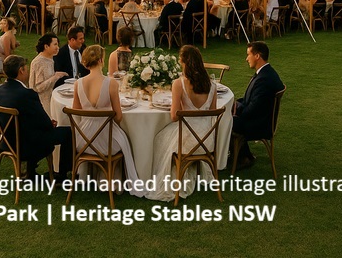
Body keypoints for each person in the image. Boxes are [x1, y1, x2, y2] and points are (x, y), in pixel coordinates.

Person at [145, 45, 218, 201]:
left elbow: (174, 116)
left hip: (187, 141)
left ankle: (163, 177)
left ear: (184, 62)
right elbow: (213, 111)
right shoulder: (212, 85)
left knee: (159, 138)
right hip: (207, 141)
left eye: (180, 59)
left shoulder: (180, 83)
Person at [72, 45, 143, 196]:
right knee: (126, 139)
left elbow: (76, 113)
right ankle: (115, 180)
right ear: (100, 60)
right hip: (106, 143)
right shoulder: (111, 83)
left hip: (82, 141)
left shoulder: (78, 83)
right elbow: (118, 116)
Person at [0, 55, 73, 180]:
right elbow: (44, 123)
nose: (27, 71)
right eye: (26, 68)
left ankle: (31, 173)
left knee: (31, 128)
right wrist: (50, 123)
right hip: (26, 146)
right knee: (68, 133)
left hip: (6, 142)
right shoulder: (27, 94)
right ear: (21, 70)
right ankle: (61, 175)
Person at [232, 41, 285, 169]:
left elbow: (252, 110)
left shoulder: (264, 79)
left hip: (260, 124)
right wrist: (236, 104)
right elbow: (250, 100)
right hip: (260, 118)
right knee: (227, 116)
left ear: (257, 56)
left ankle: (241, 157)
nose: (246, 59)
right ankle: (244, 155)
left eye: (248, 54)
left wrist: (235, 111)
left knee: (223, 121)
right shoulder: (265, 73)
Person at [28, 32, 67, 114]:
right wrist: (56, 76)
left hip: (51, 98)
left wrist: (58, 75)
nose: (58, 47)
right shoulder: (38, 62)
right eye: (55, 44)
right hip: (41, 103)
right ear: (46, 46)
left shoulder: (50, 59)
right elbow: (38, 87)